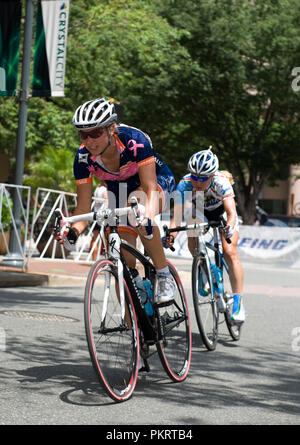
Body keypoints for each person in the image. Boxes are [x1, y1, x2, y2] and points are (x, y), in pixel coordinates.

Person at [57, 97, 175, 304]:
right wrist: (72, 231)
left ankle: (164, 274)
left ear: (111, 129)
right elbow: (84, 206)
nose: (89, 140)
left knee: (137, 207)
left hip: (154, 182)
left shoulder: (133, 140)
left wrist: (147, 217)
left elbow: (149, 187)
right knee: (124, 262)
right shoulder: (83, 158)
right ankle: (136, 327)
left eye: (95, 133)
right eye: (84, 134)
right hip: (119, 192)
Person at [164, 148, 246, 324]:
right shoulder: (184, 184)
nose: (198, 181)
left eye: (203, 178)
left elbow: (231, 213)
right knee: (192, 229)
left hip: (222, 213)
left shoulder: (221, 182)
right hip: (200, 210)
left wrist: (229, 228)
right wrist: (170, 235)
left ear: (212, 175)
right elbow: (177, 217)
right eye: (194, 176)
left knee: (229, 251)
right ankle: (202, 265)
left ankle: (238, 302)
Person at [88, 183, 108, 261]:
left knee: (95, 239)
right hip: (103, 216)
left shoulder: (97, 189)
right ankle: (108, 260)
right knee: (107, 240)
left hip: (96, 215)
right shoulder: (104, 189)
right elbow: (107, 200)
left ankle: (94, 259)